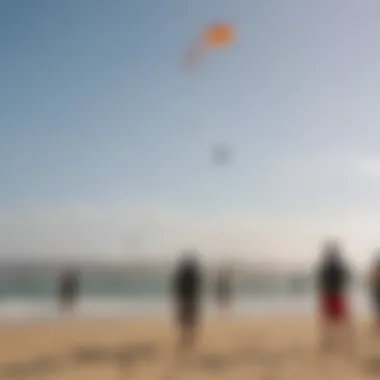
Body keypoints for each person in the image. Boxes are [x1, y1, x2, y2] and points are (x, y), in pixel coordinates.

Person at [316, 240, 353, 355]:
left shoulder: (327, 265)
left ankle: (333, 341)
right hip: (335, 293)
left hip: (332, 293)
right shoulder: (336, 264)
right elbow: (345, 278)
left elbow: (322, 280)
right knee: (338, 319)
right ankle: (338, 341)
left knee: (332, 319)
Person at [171, 251, 203, 355]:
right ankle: (190, 340)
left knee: (185, 322)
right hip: (191, 300)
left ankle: (186, 340)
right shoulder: (194, 274)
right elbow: (198, 288)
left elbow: (177, 288)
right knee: (191, 322)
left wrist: (178, 299)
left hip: (185, 300)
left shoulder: (182, 274)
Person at [369, 253, 380, 334]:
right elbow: (374, 279)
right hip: (377, 291)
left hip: (377, 291)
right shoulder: (376, 267)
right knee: (377, 310)